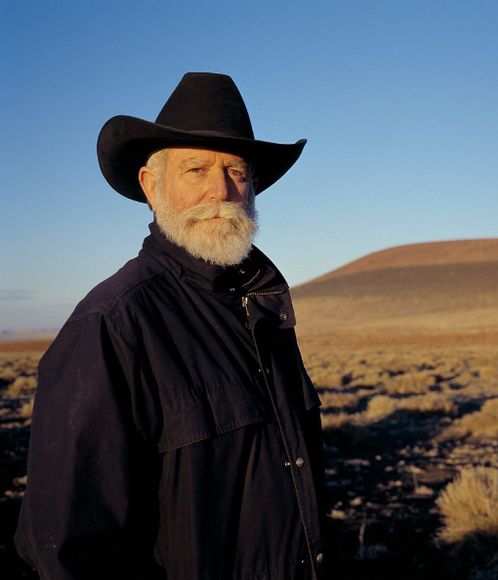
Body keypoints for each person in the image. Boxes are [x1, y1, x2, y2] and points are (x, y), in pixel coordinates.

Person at [15, 72, 326, 580]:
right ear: (150, 185)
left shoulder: (263, 312)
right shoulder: (113, 323)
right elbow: (69, 548)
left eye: (237, 171)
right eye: (195, 169)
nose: (221, 190)